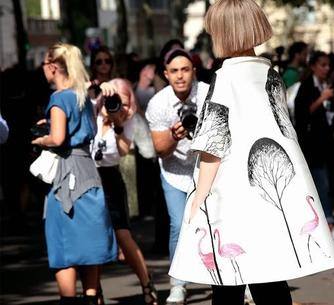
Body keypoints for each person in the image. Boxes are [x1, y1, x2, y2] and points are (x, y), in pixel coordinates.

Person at [168, 1, 334, 305]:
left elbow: (213, 144)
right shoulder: (270, 74)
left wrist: (198, 199)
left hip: (231, 190)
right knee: (270, 278)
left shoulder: (224, 79)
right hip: (270, 186)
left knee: (227, 282)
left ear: (223, 32)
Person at [30, 42, 117, 305]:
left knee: (63, 246)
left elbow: (57, 138)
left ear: (54, 67)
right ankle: (92, 296)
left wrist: (40, 140)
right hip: (88, 171)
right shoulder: (82, 96)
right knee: (90, 241)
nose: (43, 69)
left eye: (45, 64)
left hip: (66, 176)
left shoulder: (58, 98)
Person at [145, 47, 209, 304]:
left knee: (213, 224)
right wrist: (175, 135)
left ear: (194, 71)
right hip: (174, 172)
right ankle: (178, 284)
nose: (180, 76)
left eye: (185, 70)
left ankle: (226, 280)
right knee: (178, 225)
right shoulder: (158, 103)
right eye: (174, 71)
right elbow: (160, 150)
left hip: (206, 167)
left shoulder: (208, 94)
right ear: (166, 74)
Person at [90, 78, 158, 305]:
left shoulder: (127, 121)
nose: (122, 106)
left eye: (126, 103)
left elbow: (120, 152)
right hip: (88, 176)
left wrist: (117, 122)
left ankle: (147, 283)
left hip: (110, 177)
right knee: (94, 237)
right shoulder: (94, 108)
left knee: (123, 234)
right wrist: (97, 86)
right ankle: (94, 291)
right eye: (117, 101)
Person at [294, 51, 334, 241]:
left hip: (325, 145)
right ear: (313, 67)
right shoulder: (307, 87)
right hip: (311, 146)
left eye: (328, 66)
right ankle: (328, 224)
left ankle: (320, 225)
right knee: (321, 184)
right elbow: (302, 114)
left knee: (319, 185)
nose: (326, 69)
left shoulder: (327, 85)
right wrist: (322, 99)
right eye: (323, 65)